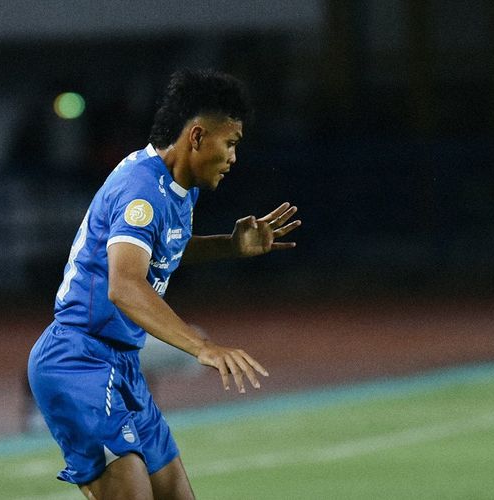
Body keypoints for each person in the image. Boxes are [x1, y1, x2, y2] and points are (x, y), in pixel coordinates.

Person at [27, 68, 301, 499]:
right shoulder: (142, 191)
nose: (233, 157)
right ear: (197, 136)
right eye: (230, 143)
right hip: (78, 360)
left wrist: (229, 246)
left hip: (122, 364)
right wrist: (201, 346)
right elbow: (124, 285)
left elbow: (162, 247)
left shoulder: (178, 187)